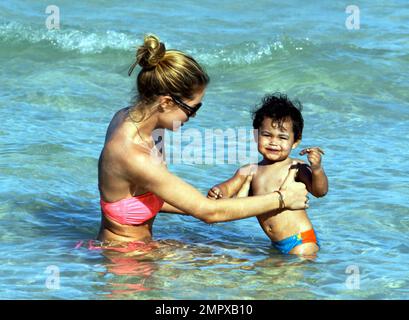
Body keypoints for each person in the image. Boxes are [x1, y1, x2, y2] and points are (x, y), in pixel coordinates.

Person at [97, 34, 309, 245]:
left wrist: (199, 203)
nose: (194, 116)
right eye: (192, 109)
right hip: (124, 260)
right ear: (166, 103)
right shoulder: (132, 154)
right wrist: (283, 198)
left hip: (140, 250)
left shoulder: (131, 119)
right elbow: (209, 214)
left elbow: (145, 196)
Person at [207, 93, 328, 256]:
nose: (274, 142)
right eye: (267, 135)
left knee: (290, 279)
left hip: (301, 241)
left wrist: (317, 169)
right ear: (256, 135)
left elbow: (320, 192)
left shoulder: (295, 167)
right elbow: (229, 188)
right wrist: (218, 191)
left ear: (296, 142)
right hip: (276, 243)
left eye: (282, 137)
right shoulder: (249, 170)